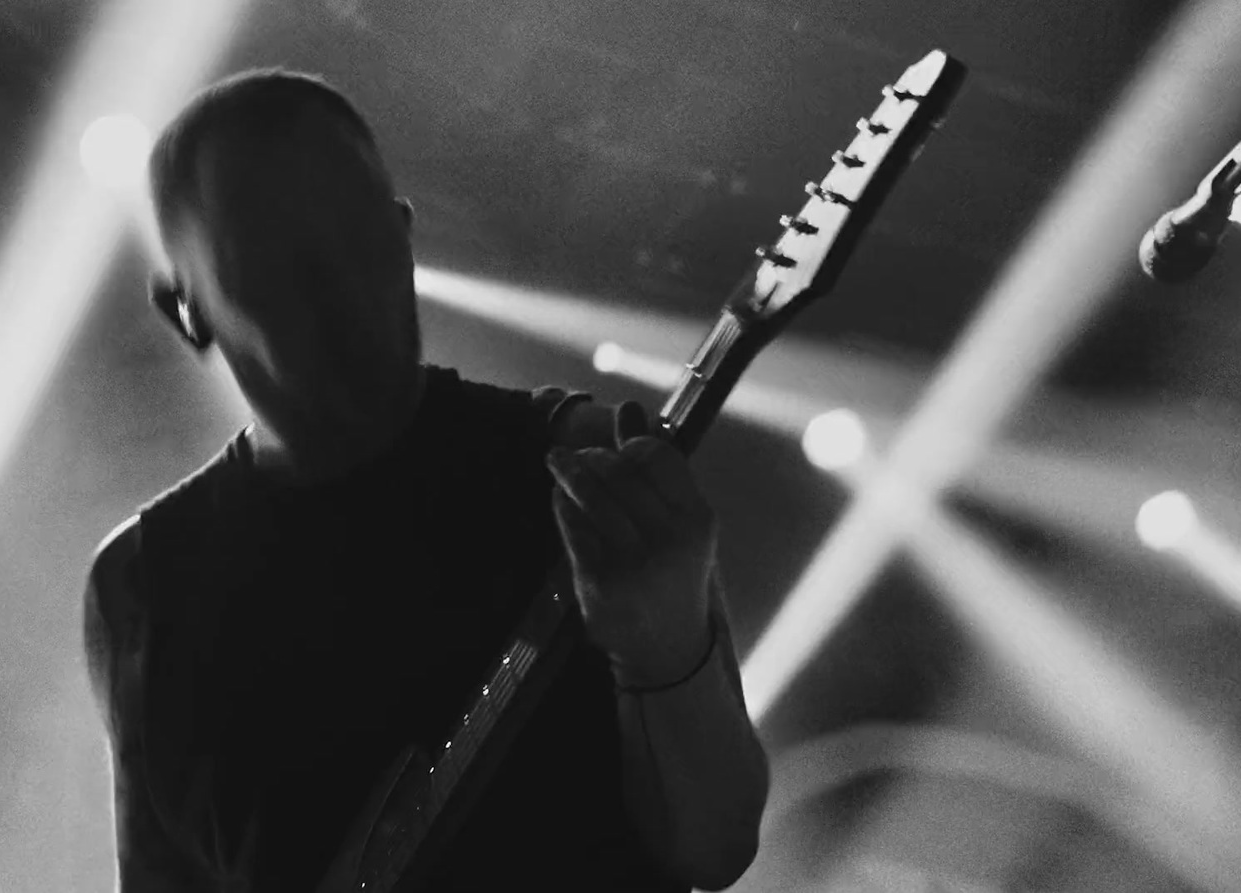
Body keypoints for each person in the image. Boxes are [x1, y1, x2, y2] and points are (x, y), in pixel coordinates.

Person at [80, 67, 770, 893]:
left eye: (358, 235)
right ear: (185, 311)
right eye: (273, 260)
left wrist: (665, 643)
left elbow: (716, 845)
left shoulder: (581, 460)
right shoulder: (140, 590)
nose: (339, 290)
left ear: (403, 233)